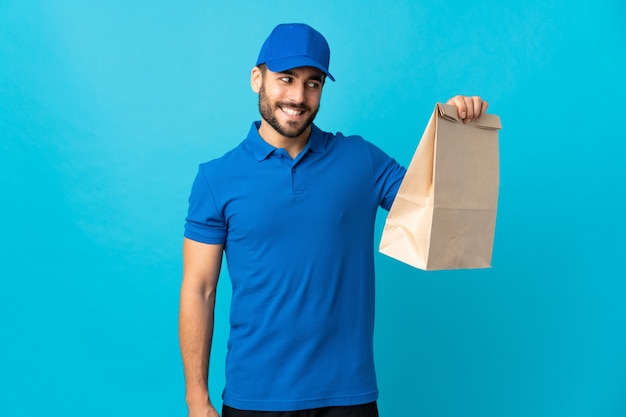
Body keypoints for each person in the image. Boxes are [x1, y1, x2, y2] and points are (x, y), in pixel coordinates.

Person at [179, 23, 488, 417]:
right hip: (253, 396)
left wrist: (459, 131)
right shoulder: (215, 178)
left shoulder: (360, 160)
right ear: (257, 78)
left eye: (313, 83)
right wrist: (196, 398)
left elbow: (441, 211)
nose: (298, 96)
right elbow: (199, 290)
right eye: (285, 79)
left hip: (348, 397)